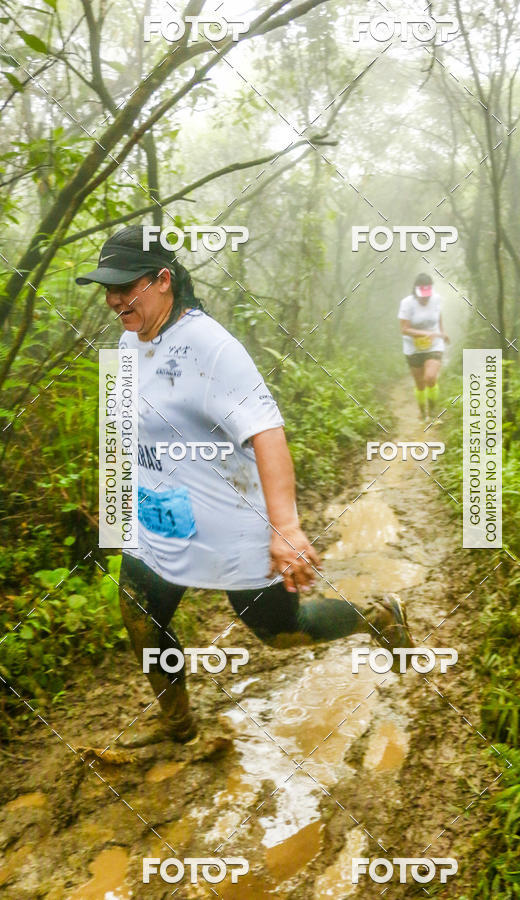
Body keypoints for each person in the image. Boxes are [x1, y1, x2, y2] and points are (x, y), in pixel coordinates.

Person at [77, 225, 414, 747]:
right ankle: (177, 723)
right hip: (160, 520)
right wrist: (116, 503)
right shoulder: (126, 344)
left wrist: (286, 528)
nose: (114, 299)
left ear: (164, 280)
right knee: (139, 611)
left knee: (279, 631)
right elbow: (124, 428)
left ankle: (374, 616)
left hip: (229, 524)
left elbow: (267, 434)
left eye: (127, 286)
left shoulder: (212, 348)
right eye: (108, 288)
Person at [398, 273, 450, 421]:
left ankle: (433, 413)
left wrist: (442, 332)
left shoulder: (437, 299)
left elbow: (438, 316)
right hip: (413, 347)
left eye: (428, 295)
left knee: (430, 377)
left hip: (434, 345)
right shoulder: (407, 303)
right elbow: (404, 329)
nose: (425, 298)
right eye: (422, 295)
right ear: (416, 291)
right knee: (420, 383)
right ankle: (422, 412)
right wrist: (424, 333)